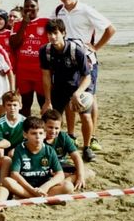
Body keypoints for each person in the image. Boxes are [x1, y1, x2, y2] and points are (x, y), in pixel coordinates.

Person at [52, 0, 115, 152]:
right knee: (69, 98)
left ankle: (92, 137)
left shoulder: (86, 10)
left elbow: (110, 29)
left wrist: (96, 47)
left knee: (89, 99)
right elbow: (52, 30)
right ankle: (71, 134)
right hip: (67, 63)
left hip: (86, 61)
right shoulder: (58, 11)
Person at [40, 19, 96, 162]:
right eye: (49, 34)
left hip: (79, 86)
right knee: (52, 118)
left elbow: (87, 77)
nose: (52, 37)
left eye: (55, 33)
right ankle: (55, 147)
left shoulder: (76, 50)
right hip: (59, 86)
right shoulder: (45, 50)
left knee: (85, 116)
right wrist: (47, 100)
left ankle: (87, 147)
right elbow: (46, 76)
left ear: (63, 33)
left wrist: (77, 94)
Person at [2, 116, 71, 198]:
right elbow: (14, 174)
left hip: (43, 186)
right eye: (33, 133)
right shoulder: (19, 149)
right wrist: (32, 190)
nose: (38, 136)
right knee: (7, 181)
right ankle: (37, 197)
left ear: (45, 135)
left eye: (41, 133)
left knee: (68, 186)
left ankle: (34, 197)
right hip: (26, 187)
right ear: (25, 134)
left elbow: (60, 174)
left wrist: (45, 187)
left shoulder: (49, 150)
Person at [9, 0, 49, 117]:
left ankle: (46, 132)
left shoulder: (46, 22)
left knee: (44, 103)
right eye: (27, 6)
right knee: (25, 105)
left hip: (40, 71)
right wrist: (24, 24)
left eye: (32, 6)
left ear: (38, 7)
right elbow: (14, 44)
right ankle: (27, 131)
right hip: (23, 72)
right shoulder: (17, 24)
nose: (29, 9)